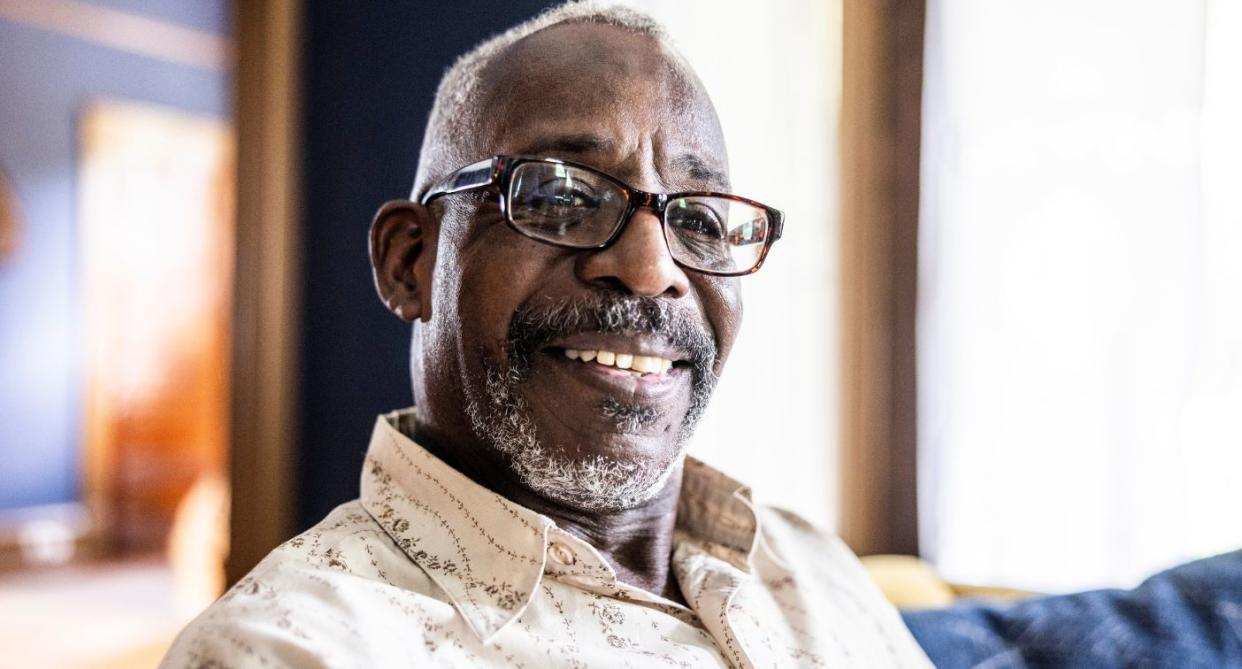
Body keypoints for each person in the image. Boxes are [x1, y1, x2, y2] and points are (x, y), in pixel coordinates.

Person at [162, 3, 933, 667]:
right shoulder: (291, 648)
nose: (649, 268)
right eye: (560, 196)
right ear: (410, 262)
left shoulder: (810, 563)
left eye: (697, 218)